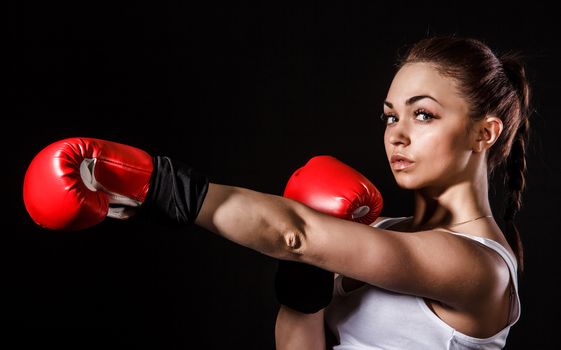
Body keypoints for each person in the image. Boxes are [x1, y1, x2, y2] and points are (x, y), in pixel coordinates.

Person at [22, 35, 530, 349]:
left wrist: (160, 184)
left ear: (485, 133)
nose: (396, 133)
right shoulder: (373, 233)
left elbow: (295, 234)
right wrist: (303, 275)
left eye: (423, 114)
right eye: (390, 115)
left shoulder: (480, 268)